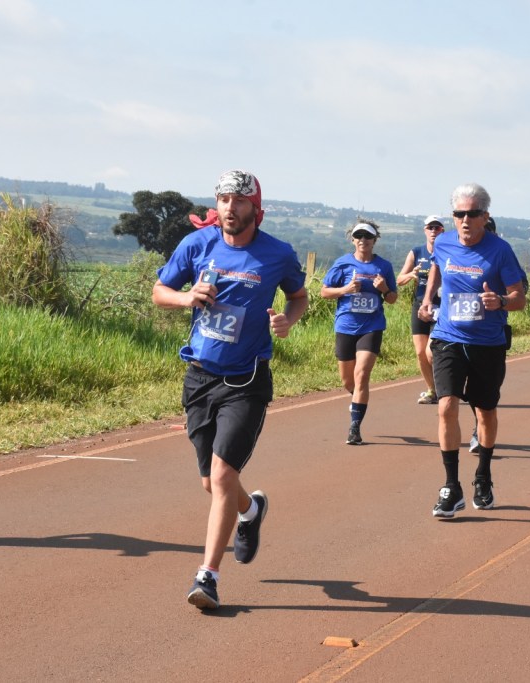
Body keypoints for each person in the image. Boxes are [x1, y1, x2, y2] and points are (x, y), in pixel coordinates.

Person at [152, 170, 309, 611]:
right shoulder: (197, 244)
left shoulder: (277, 254)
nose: (229, 208)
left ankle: (208, 576)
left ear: (255, 208)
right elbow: (159, 291)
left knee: (222, 476)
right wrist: (187, 298)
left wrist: (289, 320)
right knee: (212, 482)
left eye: (239, 201)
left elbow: (299, 296)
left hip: (246, 381)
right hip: (200, 376)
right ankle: (251, 512)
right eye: (223, 199)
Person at [418, 183, 526, 518]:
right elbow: (436, 264)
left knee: (485, 412)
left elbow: (519, 297)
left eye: (472, 214)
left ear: (485, 217)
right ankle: (452, 485)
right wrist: (427, 299)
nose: (465, 220)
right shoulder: (445, 242)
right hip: (448, 336)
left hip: (487, 343)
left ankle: (483, 475)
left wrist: (501, 301)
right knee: (446, 405)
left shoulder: (501, 251)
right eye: (459, 214)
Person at [320, 219, 398, 444]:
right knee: (348, 381)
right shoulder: (342, 264)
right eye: (359, 236)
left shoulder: (383, 266)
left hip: (371, 326)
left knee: (362, 374)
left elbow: (392, 299)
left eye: (368, 236)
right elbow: (324, 292)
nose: (363, 240)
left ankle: (354, 427)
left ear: (375, 241)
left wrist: (384, 289)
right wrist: (345, 289)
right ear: (353, 240)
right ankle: (356, 401)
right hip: (345, 325)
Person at [397, 216, 445, 405]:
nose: (433, 231)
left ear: (442, 230)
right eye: (430, 227)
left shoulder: (447, 250)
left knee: (431, 350)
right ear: (425, 230)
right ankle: (432, 390)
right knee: (420, 352)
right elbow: (399, 279)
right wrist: (411, 274)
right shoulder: (416, 252)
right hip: (420, 305)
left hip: (441, 305)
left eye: (437, 227)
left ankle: (445, 386)